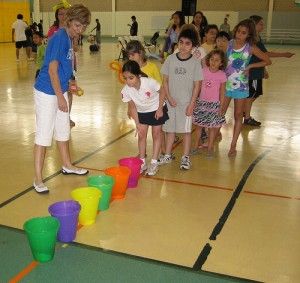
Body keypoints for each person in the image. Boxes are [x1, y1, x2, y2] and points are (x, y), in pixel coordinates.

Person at [33, 4, 91, 193]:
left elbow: (63, 69)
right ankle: (38, 179)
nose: (79, 30)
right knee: (43, 135)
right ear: (68, 21)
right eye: (76, 26)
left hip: (59, 89)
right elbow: (51, 70)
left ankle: (67, 165)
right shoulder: (59, 38)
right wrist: (60, 97)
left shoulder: (69, 38)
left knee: (63, 131)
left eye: (82, 27)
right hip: (47, 92)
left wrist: (69, 86)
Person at [222, 19, 271, 157]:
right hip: (225, 85)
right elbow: (219, 60)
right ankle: (211, 138)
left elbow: (267, 61)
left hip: (241, 86)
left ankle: (233, 145)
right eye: (238, 31)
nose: (239, 35)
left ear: (248, 35)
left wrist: (250, 66)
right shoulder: (228, 44)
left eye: (243, 33)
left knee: (238, 115)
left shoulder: (251, 48)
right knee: (220, 113)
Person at [159, 28, 203, 170]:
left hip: (186, 104)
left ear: (193, 46)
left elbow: (197, 85)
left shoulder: (195, 62)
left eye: (187, 43)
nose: (183, 46)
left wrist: (192, 104)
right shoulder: (170, 59)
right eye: (181, 42)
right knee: (169, 130)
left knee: (186, 132)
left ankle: (185, 157)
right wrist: (169, 98)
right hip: (171, 103)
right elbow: (165, 81)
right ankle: (167, 155)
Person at [244, 15, 295, 126]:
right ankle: (246, 117)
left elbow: (262, 56)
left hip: (257, 71)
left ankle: (245, 111)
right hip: (252, 72)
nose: (263, 26)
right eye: (261, 24)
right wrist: (284, 55)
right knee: (252, 95)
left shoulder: (258, 38)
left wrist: (264, 70)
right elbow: (265, 54)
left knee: (254, 94)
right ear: (253, 24)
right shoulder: (253, 39)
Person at [121, 60, 168, 176]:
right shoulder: (126, 90)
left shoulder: (149, 82)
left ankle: (154, 162)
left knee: (157, 134)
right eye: (125, 78)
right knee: (141, 136)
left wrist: (160, 109)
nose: (128, 81)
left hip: (156, 109)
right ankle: (142, 162)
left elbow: (162, 91)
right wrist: (137, 124)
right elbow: (132, 107)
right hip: (141, 112)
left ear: (139, 75)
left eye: (131, 78)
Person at [192, 49, 227, 157]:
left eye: (217, 60)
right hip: (202, 103)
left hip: (214, 105)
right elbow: (197, 87)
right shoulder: (203, 71)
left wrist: (221, 106)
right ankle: (195, 146)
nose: (213, 62)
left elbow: (222, 92)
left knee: (212, 128)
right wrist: (194, 101)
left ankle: (210, 147)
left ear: (221, 63)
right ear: (208, 60)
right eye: (212, 59)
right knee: (198, 126)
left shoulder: (222, 75)